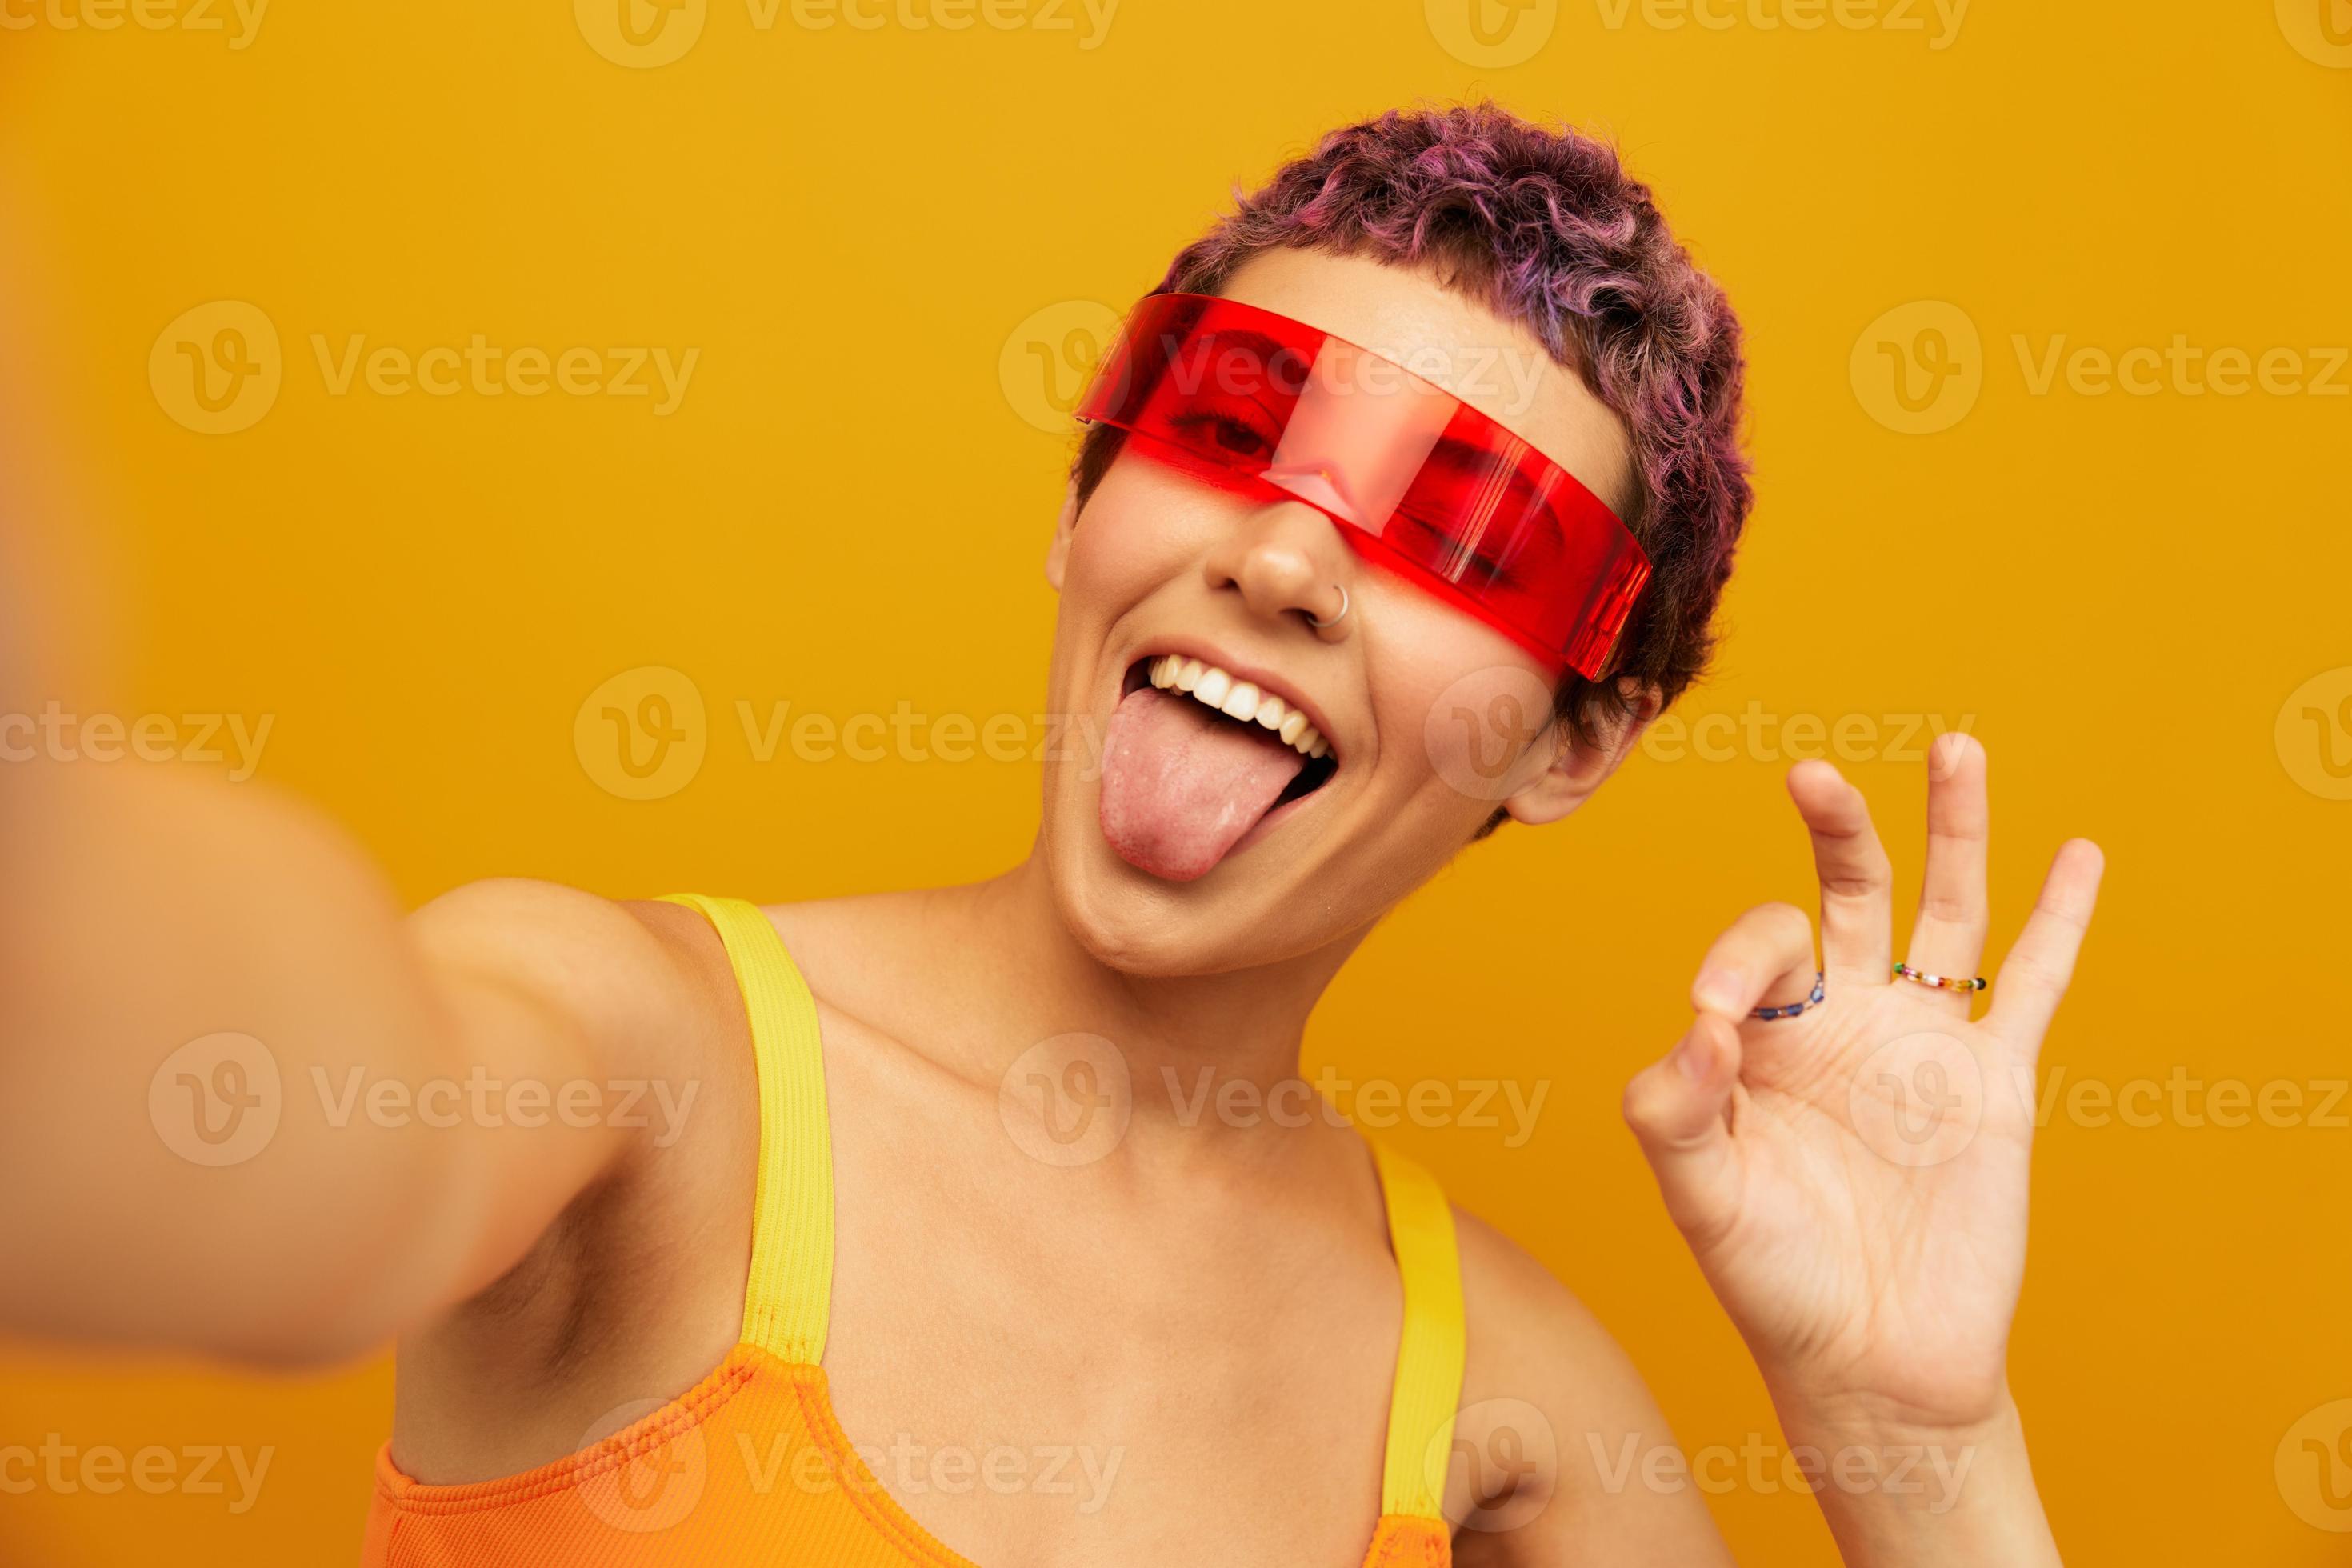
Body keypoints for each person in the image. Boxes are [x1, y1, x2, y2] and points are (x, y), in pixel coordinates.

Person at [0, 102, 2102, 1566]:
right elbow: (254, 1133)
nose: (1285, 555)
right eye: (1225, 431)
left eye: (1461, 539)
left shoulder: (1507, 1408)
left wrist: (1915, 1446)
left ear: (1568, 746)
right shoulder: (636, 1055)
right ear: (1083, 512)